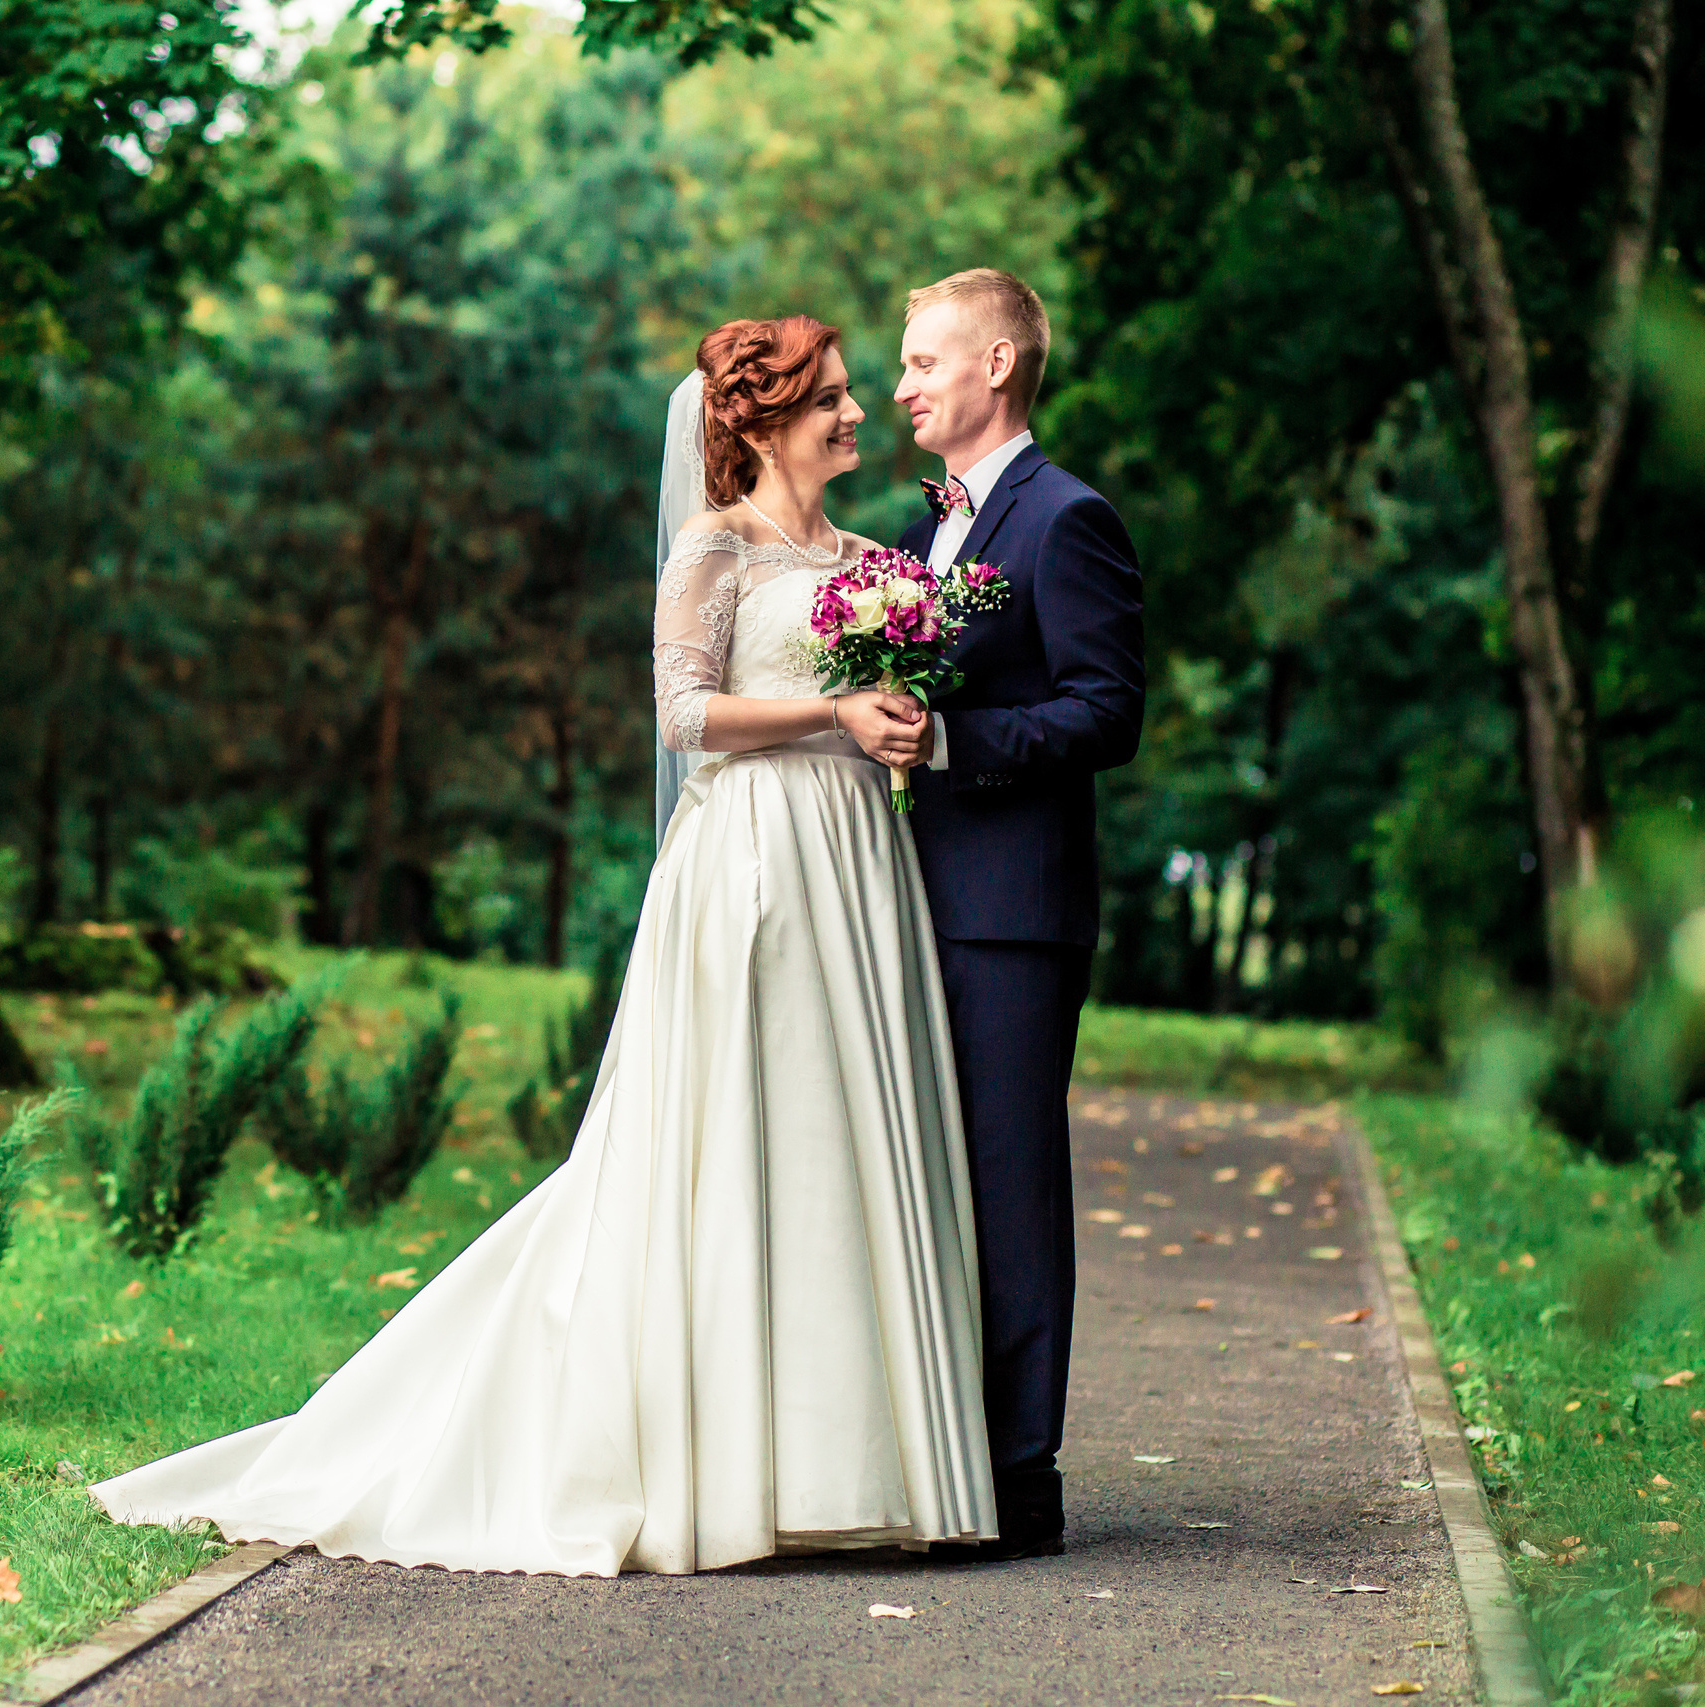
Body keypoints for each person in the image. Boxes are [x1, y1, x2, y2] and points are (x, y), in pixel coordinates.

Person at [90, 316, 1000, 1575]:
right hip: (748, 860)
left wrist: (887, 721)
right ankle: (715, 1465)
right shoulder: (713, 548)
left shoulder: (869, 557)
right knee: (731, 1134)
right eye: (833, 398)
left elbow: (868, 705)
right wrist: (829, 709)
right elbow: (683, 712)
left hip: (854, 861)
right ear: (760, 417)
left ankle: (844, 1467)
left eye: (852, 395)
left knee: (837, 1132)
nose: (857, 415)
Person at [854, 268, 1145, 1561]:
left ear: (997, 369)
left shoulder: (1066, 519)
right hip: (919, 895)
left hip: (1015, 913)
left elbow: (1106, 708)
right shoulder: (931, 533)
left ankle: (1022, 1477)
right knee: (937, 1180)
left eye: (924, 360)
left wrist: (955, 742)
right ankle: (947, 1451)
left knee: (1011, 1186)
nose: (903, 382)